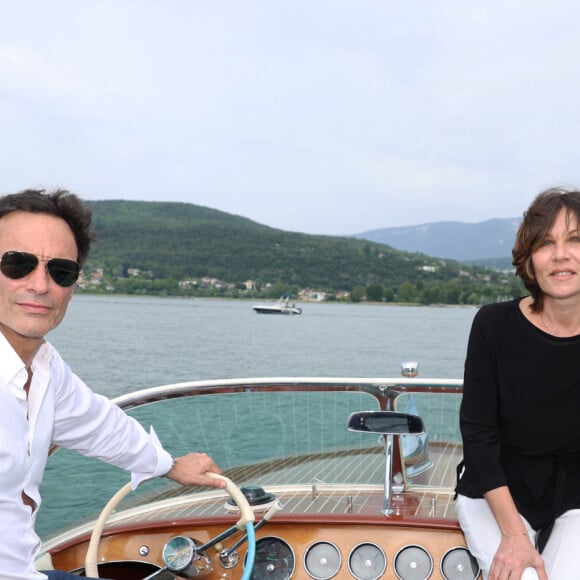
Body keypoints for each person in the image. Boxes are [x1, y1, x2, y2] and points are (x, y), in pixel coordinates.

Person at [0, 188, 226, 580]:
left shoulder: (45, 370)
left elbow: (100, 425)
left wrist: (170, 465)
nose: (40, 284)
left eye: (60, 271)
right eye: (16, 264)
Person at [456, 186, 580, 580]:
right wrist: (513, 534)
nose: (561, 254)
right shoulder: (493, 326)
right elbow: (477, 435)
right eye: (546, 243)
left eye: (576, 239)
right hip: (495, 488)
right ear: (529, 260)